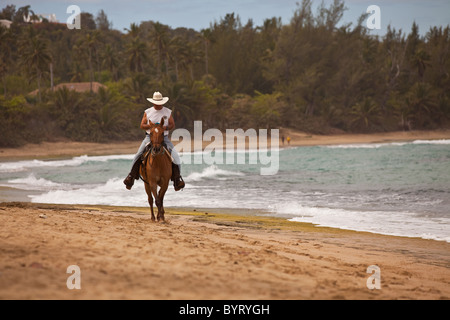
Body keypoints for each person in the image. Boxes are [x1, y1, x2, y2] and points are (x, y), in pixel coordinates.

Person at [123, 91, 185, 191]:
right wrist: (152, 127)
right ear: (153, 102)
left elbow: (172, 125)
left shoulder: (167, 111)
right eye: (156, 102)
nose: (158, 104)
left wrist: (165, 128)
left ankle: (177, 180)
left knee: (175, 156)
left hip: (163, 137)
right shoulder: (148, 112)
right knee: (138, 154)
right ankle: (131, 177)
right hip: (149, 137)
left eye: (160, 102)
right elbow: (142, 125)